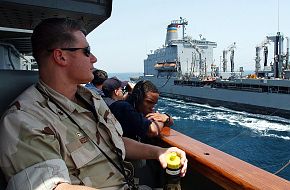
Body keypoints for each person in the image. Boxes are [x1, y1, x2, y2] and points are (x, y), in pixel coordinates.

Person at [0, 18, 187, 190]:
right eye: (86, 51)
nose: (94, 59)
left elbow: (116, 142)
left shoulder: (90, 98)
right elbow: (52, 187)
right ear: (61, 56)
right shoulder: (24, 119)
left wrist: (159, 152)